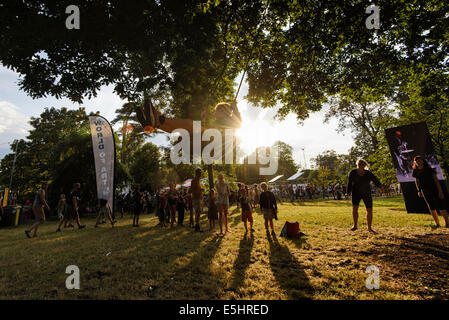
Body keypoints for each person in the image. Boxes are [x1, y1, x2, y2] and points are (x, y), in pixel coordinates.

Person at [135, 98, 242, 135]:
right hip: (204, 135)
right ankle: (155, 124)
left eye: (216, 110)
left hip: (210, 140)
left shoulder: (227, 120)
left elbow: (239, 124)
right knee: (177, 129)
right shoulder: (219, 121)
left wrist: (235, 108)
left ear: (223, 111)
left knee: (190, 124)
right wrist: (203, 119)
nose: (214, 113)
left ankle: (159, 119)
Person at [412, 155, 449, 228]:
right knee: (431, 207)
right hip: (425, 191)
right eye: (416, 161)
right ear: (415, 163)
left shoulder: (429, 169)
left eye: (420, 160)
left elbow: (436, 181)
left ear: (423, 161)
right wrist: (419, 190)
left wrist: (440, 191)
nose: (418, 162)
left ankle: (447, 223)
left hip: (434, 189)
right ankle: (437, 224)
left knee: (441, 206)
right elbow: (417, 181)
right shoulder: (415, 171)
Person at [346, 159, 382, 233]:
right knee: (355, 208)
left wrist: (381, 187)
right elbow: (349, 183)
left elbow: (375, 180)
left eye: (362, 164)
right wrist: (347, 192)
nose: (360, 165)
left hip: (366, 192)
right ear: (357, 164)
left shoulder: (368, 173)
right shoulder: (352, 172)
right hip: (356, 192)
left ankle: (369, 227)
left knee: (369, 209)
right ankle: (355, 225)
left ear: (364, 165)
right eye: (359, 164)